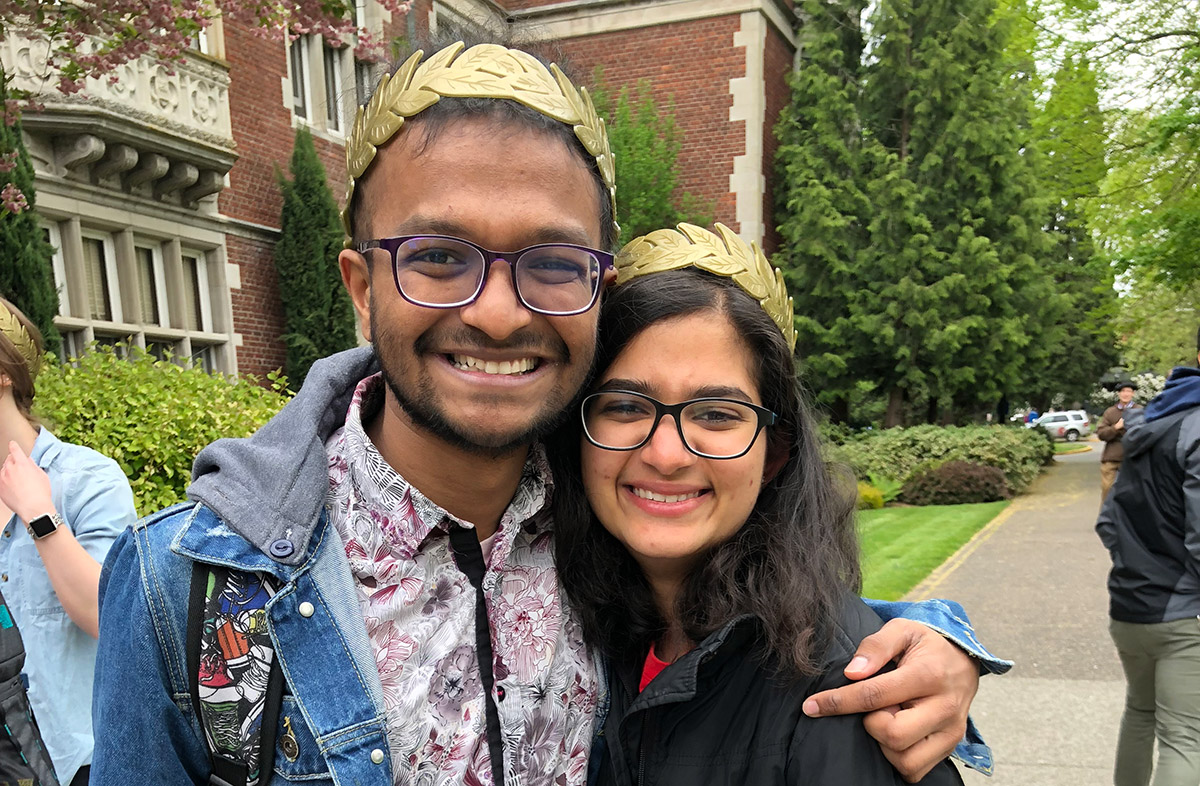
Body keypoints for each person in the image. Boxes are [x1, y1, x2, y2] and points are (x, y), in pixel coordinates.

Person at [93, 35, 1001, 786]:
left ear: (597, 292)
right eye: (439, 257)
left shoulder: (598, 526)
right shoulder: (183, 593)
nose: (496, 313)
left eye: (553, 264)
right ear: (362, 289)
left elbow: (751, 625)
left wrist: (930, 643)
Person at [553, 223, 965, 784]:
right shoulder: (565, 630)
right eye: (626, 406)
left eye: (717, 415)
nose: (666, 454)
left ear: (774, 454)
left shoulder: (848, 693)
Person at [0, 298, 136, 786]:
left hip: (75, 763)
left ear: (4, 373)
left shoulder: (87, 480)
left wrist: (39, 515)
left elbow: (108, 615)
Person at [1096, 327, 1200, 786]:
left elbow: (1108, 521)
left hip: (1130, 607)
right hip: (1183, 616)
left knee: (1140, 713)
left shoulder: (1153, 422)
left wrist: (1139, 566)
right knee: (1185, 738)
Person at [1098, 381, 1139, 502]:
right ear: (1118, 394)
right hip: (1112, 458)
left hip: (1133, 457)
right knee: (1108, 490)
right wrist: (1115, 428)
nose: (1125, 394)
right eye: (1123, 391)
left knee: (1134, 493)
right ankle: (1107, 519)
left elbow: (1147, 432)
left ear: (1133, 393)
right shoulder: (1110, 412)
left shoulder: (1139, 410)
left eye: (1128, 391)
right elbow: (1101, 434)